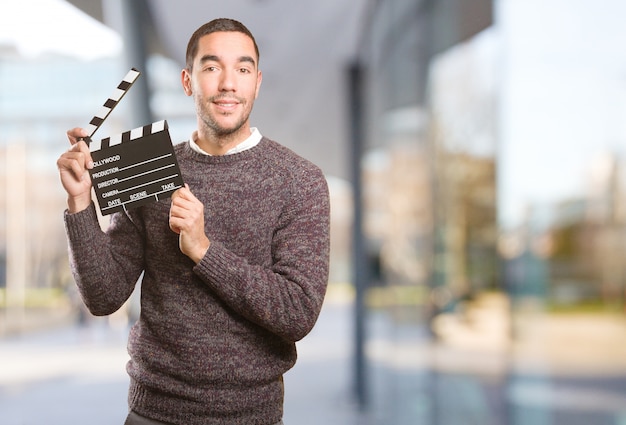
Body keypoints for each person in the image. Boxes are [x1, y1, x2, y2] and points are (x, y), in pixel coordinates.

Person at [56, 18, 330, 425]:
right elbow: (104, 297)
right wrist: (80, 203)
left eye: (242, 69)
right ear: (187, 81)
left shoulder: (300, 181)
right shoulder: (148, 168)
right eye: (211, 67)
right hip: (153, 412)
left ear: (257, 82)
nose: (227, 84)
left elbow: (296, 312)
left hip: (251, 416)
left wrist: (204, 251)